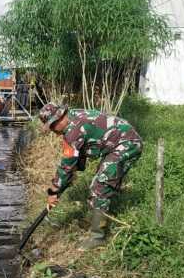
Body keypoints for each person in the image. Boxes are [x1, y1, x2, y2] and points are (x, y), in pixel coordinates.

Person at [39, 104, 143, 250]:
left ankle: (97, 237)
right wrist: (68, 178)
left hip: (127, 143)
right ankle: (98, 218)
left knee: (99, 187)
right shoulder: (74, 116)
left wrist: (54, 192)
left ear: (59, 119)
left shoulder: (73, 131)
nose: (53, 131)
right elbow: (76, 160)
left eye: (52, 126)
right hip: (116, 144)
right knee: (102, 181)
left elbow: (66, 166)